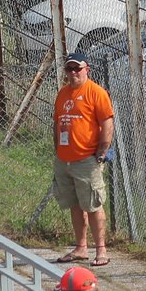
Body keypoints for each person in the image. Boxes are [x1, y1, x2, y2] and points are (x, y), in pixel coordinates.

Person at [52, 55, 115, 267]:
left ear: (86, 69)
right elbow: (57, 122)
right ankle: (80, 248)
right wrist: (58, 150)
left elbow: (107, 122)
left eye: (76, 69)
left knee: (93, 204)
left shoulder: (96, 92)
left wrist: (101, 151)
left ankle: (101, 250)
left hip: (87, 159)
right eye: (69, 69)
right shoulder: (62, 93)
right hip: (65, 159)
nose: (72, 73)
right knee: (75, 204)